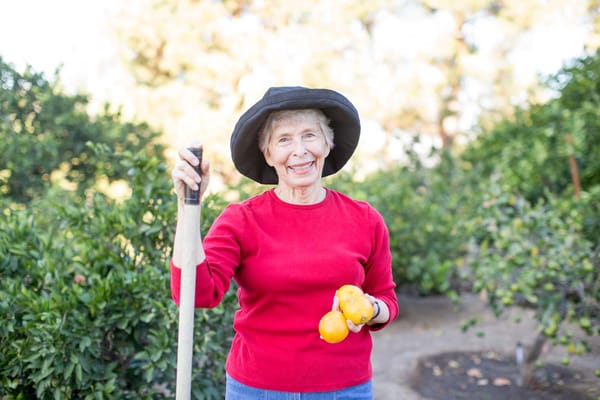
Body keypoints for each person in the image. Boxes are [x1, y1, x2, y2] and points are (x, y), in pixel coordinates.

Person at [170, 86, 398, 399]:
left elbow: (386, 298)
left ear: (327, 144)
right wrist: (187, 206)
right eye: (284, 139)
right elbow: (195, 293)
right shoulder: (242, 219)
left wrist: (371, 308)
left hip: (344, 389)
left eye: (310, 135)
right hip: (256, 390)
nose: (299, 150)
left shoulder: (365, 219)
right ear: (268, 154)